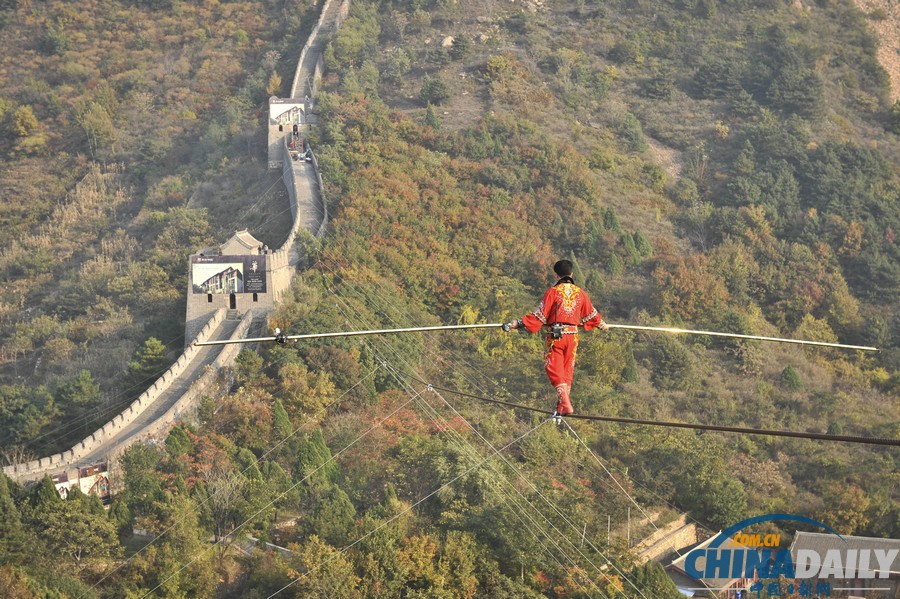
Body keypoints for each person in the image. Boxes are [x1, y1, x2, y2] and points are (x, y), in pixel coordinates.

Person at [503, 260, 608, 416]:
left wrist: (516, 323)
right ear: (572, 274)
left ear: (556, 275)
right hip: (572, 337)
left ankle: (565, 403)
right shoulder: (580, 293)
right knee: (567, 370)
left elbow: (539, 316)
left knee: (552, 367)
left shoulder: (552, 292)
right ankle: (561, 406)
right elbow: (592, 315)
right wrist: (602, 324)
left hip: (556, 337)